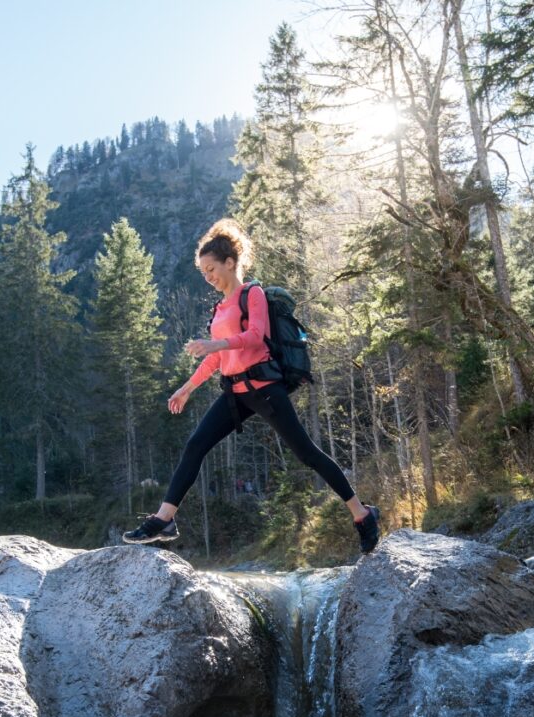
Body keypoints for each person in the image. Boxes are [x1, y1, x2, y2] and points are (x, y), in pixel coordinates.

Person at [123, 218, 381, 553]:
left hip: (264, 389)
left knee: (307, 453)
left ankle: (362, 515)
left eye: (211, 269)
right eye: (203, 271)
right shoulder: (219, 309)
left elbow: (255, 336)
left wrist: (216, 345)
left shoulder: (252, 294)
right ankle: (164, 519)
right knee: (195, 445)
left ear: (230, 263)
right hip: (235, 394)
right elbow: (215, 359)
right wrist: (187, 388)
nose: (208, 277)